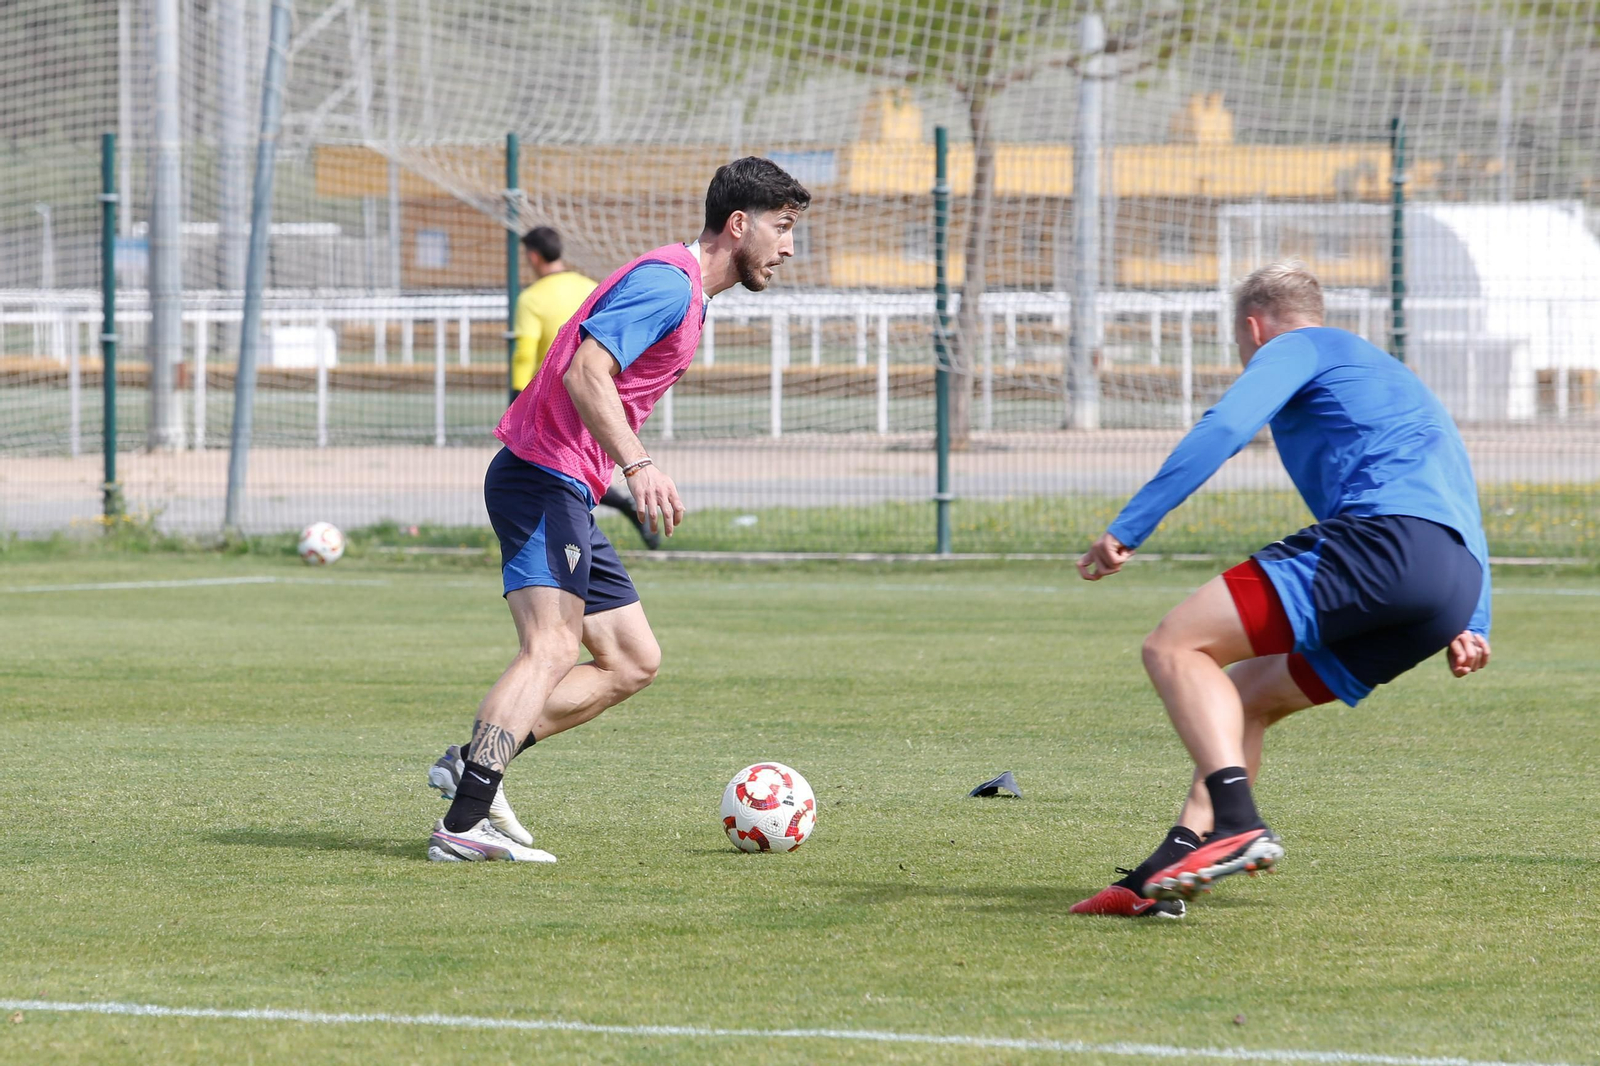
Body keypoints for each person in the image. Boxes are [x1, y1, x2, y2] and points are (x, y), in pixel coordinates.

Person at [1068, 260, 1493, 918]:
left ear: (1253, 328)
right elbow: (1458, 487)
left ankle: (1237, 820)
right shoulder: (1387, 374)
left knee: (1175, 647)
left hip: (1386, 545)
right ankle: (1174, 865)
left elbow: (1225, 428)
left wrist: (1130, 527)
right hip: (1449, 582)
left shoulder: (1296, 347)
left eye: (1243, 351)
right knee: (1245, 699)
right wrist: (1477, 617)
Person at [426, 157, 811, 862]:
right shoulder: (670, 284)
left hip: (564, 484)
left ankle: (471, 761)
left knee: (632, 660)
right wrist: (638, 464)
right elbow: (584, 371)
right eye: (782, 229)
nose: (788, 247)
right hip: (540, 478)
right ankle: (462, 821)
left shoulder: (688, 292)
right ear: (738, 224)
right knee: (549, 648)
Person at [515, 226, 660, 551]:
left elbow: (525, 353)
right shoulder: (590, 287)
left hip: (552, 403)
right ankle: (605, 528)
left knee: (552, 476)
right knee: (581, 473)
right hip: (596, 394)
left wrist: (515, 398)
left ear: (533, 256)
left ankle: (572, 547)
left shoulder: (531, 298)